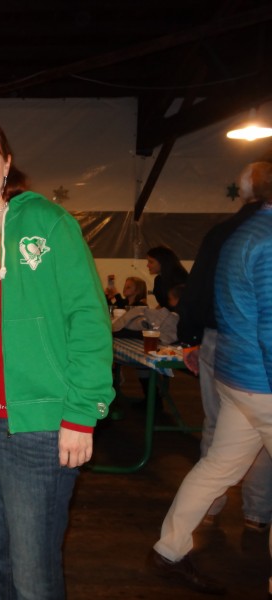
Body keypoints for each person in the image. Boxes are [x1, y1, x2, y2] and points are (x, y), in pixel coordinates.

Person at [0, 115, 113, 599]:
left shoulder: (46, 222)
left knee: (33, 572)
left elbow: (88, 316)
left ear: (7, 165)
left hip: (37, 427)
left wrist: (81, 414)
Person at [149, 161, 272, 597]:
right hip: (262, 382)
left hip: (235, 377)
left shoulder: (237, 233)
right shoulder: (267, 238)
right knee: (218, 467)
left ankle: (169, 549)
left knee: (217, 466)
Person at [176, 169, 272, 532]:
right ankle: (257, 514)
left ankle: (189, 528)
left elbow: (196, 288)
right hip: (258, 365)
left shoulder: (225, 232)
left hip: (223, 350)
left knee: (217, 441)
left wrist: (189, 337)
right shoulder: (264, 235)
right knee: (256, 445)